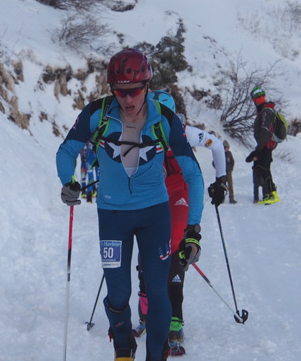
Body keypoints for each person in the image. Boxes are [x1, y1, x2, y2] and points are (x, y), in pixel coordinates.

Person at [56, 48, 205, 361]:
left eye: (134, 90)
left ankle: (157, 355)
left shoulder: (164, 119)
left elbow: (193, 174)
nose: (127, 98)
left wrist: (193, 229)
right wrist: (68, 183)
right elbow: (66, 152)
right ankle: (123, 347)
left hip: (155, 214)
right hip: (112, 215)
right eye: (120, 91)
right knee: (119, 292)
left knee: (157, 287)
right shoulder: (96, 113)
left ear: (147, 86)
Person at [133, 90, 227, 356]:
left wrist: (220, 180)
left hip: (179, 193)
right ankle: (145, 308)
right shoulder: (139, 131)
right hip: (153, 192)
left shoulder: (185, 132)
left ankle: (175, 318)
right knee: (147, 245)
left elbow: (217, 145)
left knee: (175, 246)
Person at [245, 87, 280, 204]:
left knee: (264, 169)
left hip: (266, 145)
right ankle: (270, 194)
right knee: (263, 169)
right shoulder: (266, 110)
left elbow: (264, 131)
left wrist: (258, 149)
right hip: (266, 145)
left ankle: (272, 194)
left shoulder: (265, 112)